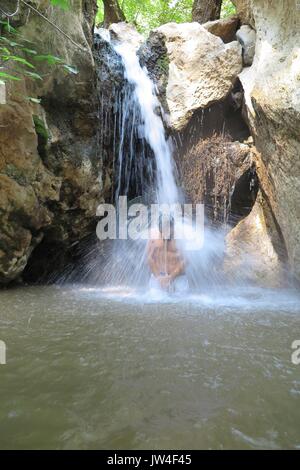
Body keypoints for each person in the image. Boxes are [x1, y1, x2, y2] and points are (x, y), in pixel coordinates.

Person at [147, 215, 188, 293]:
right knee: (154, 298)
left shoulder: (181, 239)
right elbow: (150, 259)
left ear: (173, 227)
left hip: (178, 277)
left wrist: (171, 277)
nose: (167, 231)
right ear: (160, 228)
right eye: (164, 229)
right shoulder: (153, 239)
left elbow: (186, 260)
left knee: (181, 300)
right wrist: (159, 278)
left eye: (169, 228)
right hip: (158, 277)